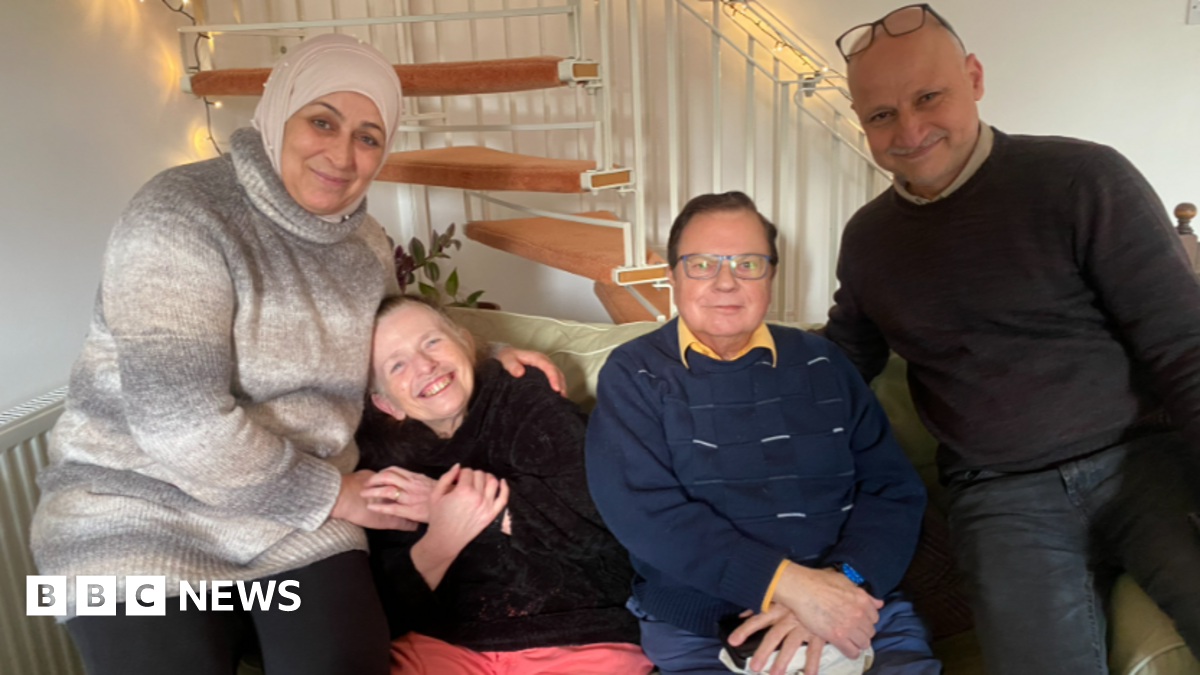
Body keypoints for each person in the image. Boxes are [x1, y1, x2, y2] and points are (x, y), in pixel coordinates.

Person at [29, 34, 560, 675]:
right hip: (135, 512)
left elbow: (392, 337)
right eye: (322, 121)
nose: (342, 153)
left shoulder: (365, 241)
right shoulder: (178, 212)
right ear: (278, 115)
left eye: (368, 136)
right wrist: (336, 496)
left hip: (291, 528)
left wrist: (494, 352)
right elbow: (179, 422)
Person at [827, 5, 1200, 674]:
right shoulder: (867, 241)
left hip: (1142, 462)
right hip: (1000, 496)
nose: (909, 129)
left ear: (973, 77)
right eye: (881, 114)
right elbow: (842, 362)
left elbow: (1183, 344)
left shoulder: (1084, 178)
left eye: (928, 96)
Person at [585, 192, 940, 675]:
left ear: (771, 275)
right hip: (707, 628)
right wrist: (789, 586)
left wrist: (840, 583)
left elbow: (892, 491)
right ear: (672, 277)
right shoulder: (636, 373)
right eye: (702, 264)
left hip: (852, 603)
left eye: (748, 263)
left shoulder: (824, 362)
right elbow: (642, 512)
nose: (726, 282)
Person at [354, 295, 653, 675]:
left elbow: (605, 526)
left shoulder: (522, 394)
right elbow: (380, 609)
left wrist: (457, 507)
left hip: (577, 632)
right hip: (444, 641)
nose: (425, 366)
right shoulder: (381, 458)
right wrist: (441, 538)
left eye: (432, 342)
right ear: (386, 405)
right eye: (397, 364)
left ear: (464, 341)